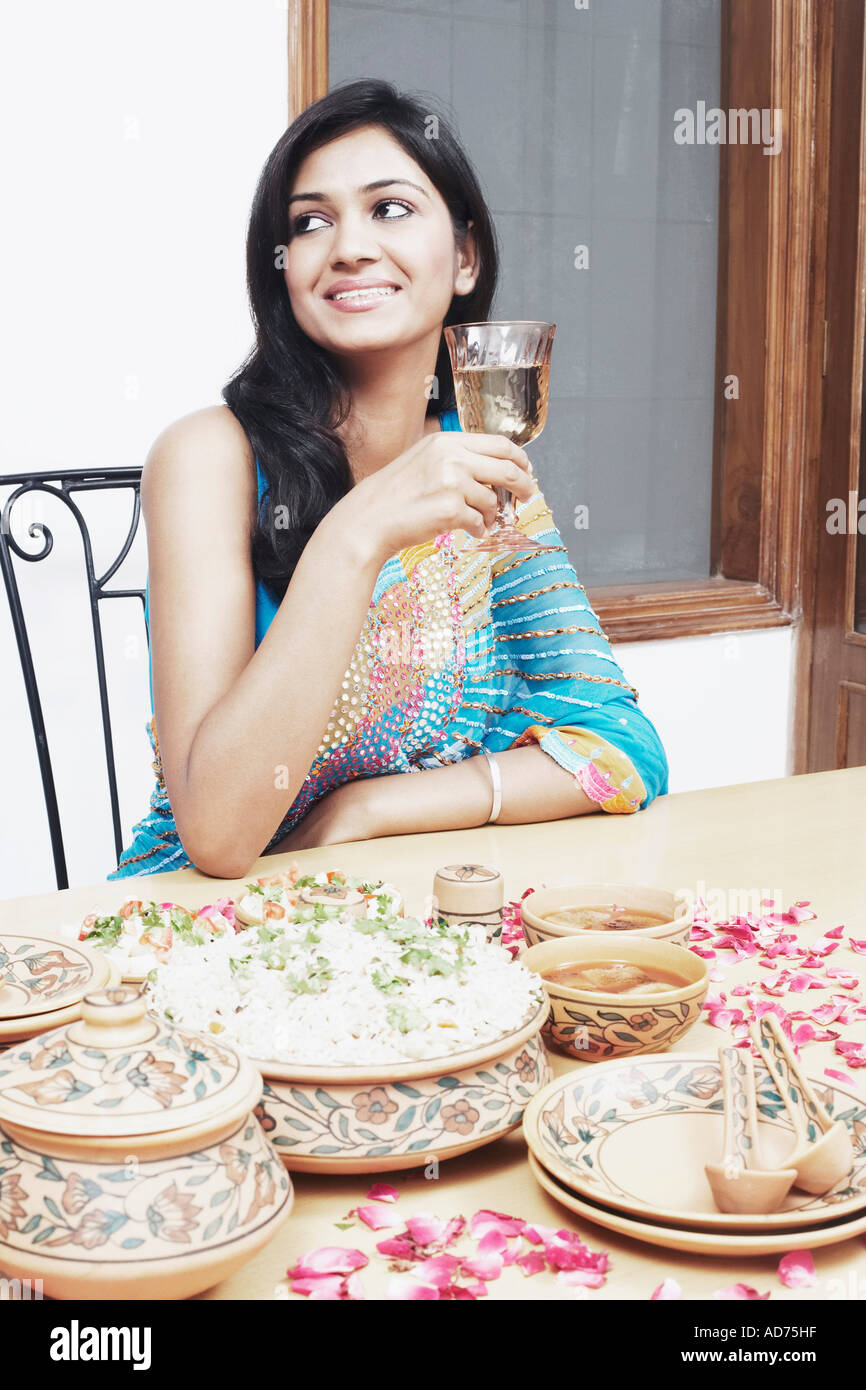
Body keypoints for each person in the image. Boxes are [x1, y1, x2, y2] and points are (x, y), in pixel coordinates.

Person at [109, 79, 668, 882]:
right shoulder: (208, 459)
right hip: (210, 924)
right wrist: (356, 533)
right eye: (310, 222)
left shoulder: (472, 460)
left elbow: (622, 749)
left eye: (391, 208)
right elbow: (220, 837)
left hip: (392, 893)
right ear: (282, 265)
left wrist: (366, 811)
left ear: (466, 257)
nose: (350, 247)